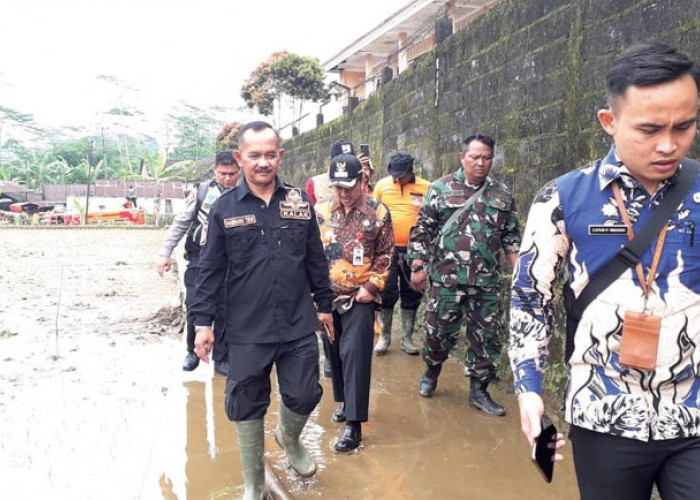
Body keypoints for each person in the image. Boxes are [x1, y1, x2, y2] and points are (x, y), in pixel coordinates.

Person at [509, 43, 700, 500]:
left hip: (695, 412)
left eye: (685, 126)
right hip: (604, 412)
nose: (668, 145)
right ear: (609, 122)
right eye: (649, 129)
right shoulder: (561, 200)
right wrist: (528, 389)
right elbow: (531, 299)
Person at [191, 121, 335, 499]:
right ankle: (254, 484)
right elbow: (209, 270)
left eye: (270, 154)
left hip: (296, 321)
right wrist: (202, 323)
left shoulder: (299, 203)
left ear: (280, 156)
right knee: (245, 403)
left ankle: (289, 437)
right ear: (240, 158)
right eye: (254, 155)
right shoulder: (224, 208)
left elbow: (315, 259)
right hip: (245, 326)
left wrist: (324, 305)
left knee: (305, 394)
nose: (263, 162)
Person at [408, 133, 521, 416]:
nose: (480, 163)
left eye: (486, 158)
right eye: (474, 157)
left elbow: (511, 237)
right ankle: (432, 370)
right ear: (463, 157)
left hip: (485, 282)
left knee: (486, 338)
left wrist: (521, 273)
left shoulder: (502, 194)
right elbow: (423, 229)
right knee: (437, 333)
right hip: (447, 280)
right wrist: (418, 266)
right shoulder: (441, 188)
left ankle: (479, 391)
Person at [315, 153, 394, 452]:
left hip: (360, 296)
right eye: (338, 187)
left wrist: (372, 286)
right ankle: (345, 402)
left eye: (349, 186)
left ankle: (354, 424)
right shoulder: (321, 212)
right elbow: (310, 253)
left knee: (355, 354)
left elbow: (387, 254)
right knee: (334, 352)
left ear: (362, 181)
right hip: (327, 296)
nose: (344, 193)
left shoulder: (378, 212)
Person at [156, 151, 239, 374]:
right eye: (223, 174)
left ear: (239, 171)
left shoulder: (244, 195)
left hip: (229, 262)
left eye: (232, 174)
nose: (228, 178)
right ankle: (192, 351)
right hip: (199, 259)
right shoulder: (202, 192)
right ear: (215, 171)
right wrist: (165, 253)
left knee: (225, 307)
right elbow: (181, 223)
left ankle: (222, 357)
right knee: (194, 305)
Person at [373, 151, 431, 356]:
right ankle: (385, 336)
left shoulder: (426, 187)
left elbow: (431, 219)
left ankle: (407, 338)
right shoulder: (382, 185)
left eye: (400, 174)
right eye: (393, 174)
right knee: (386, 291)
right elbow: (373, 212)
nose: (396, 178)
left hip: (415, 250)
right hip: (387, 249)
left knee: (412, 291)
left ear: (411, 170)